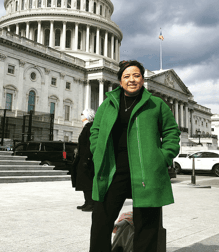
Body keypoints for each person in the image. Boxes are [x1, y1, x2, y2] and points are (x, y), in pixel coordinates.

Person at [89, 60, 181, 252]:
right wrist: (97, 150)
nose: (132, 80)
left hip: (146, 171)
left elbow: (172, 132)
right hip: (113, 171)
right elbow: (95, 131)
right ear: (120, 81)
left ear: (143, 79)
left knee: (147, 227)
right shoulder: (107, 104)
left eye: (136, 75)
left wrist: (162, 157)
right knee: (100, 222)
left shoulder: (156, 104)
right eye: (127, 76)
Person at [72, 109, 96, 212]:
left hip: (86, 160)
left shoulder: (90, 128)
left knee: (87, 182)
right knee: (83, 181)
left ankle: (91, 203)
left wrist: (87, 158)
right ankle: (87, 202)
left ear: (87, 116)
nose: (81, 116)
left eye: (82, 114)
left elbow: (89, 145)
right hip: (82, 158)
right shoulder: (86, 127)